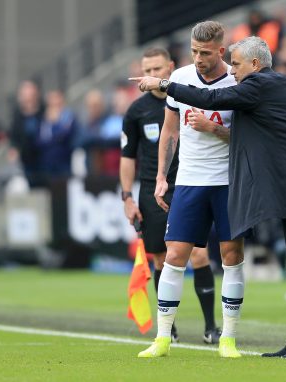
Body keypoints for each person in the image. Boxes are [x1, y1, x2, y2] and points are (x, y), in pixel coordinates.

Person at [131, 36, 286, 358]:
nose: (233, 72)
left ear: (255, 65)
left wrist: (163, 83)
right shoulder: (281, 85)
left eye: (238, 65)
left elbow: (211, 97)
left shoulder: (259, 85)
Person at [135, 21, 245, 359]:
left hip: (228, 182)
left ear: (220, 51)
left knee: (231, 257)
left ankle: (227, 338)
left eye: (206, 53)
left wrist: (214, 128)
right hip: (189, 181)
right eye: (195, 51)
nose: (198, 58)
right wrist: (162, 178)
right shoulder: (180, 79)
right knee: (174, 256)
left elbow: (247, 138)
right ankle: (163, 338)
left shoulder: (238, 82)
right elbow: (170, 132)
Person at [119, 47, 221, 345]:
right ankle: (169, 328)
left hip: (190, 183)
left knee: (199, 253)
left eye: (157, 69)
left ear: (171, 68)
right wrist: (127, 197)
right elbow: (127, 157)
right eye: (147, 70)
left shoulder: (187, 96)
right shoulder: (136, 111)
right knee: (162, 257)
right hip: (153, 189)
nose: (152, 75)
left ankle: (211, 327)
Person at [10, 81, 44, 187]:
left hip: (43, 160)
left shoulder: (44, 112)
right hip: (27, 160)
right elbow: (14, 136)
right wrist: (14, 149)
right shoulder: (18, 116)